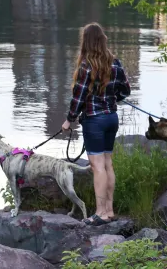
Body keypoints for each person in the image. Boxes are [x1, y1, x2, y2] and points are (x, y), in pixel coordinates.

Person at [62, 23, 130, 225]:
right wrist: (110, 97)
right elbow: (125, 91)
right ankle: (109, 210)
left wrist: (69, 120)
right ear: (102, 40)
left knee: (97, 166)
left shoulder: (86, 67)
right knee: (107, 164)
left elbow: (79, 97)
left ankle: (100, 213)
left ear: (86, 42)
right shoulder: (115, 63)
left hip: (94, 120)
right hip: (111, 118)